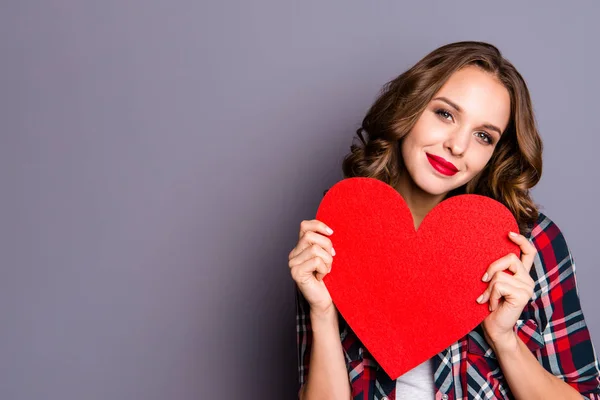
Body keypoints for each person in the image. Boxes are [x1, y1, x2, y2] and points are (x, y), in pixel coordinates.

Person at [287, 41, 600, 400]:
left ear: (495, 153)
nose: (458, 146)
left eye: (483, 136)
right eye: (445, 114)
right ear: (410, 107)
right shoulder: (336, 233)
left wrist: (504, 339)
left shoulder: (530, 243)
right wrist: (323, 312)